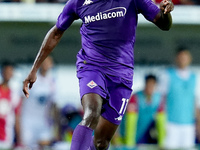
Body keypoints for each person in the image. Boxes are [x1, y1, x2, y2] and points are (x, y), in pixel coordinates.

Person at [22, 0, 174, 149]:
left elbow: (164, 24)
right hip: (92, 67)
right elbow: (56, 32)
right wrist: (35, 68)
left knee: (101, 142)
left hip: (122, 75)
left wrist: (166, 12)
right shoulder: (78, 2)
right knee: (92, 113)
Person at [158, 48, 200, 149]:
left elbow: (196, 103)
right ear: (176, 58)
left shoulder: (195, 77)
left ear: (190, 59)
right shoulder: (167, 75)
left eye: (185, 57)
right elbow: (161, 99)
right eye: (181, 57)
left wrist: (198, 124)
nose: (183, 60)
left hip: (188, 125)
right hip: (170, 124)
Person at [21, 56, 57, 149]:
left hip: (44, 122)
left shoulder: (53, 82)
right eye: (44, 62)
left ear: (51, 65)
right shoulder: (30, 78)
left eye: (48, 62)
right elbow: (21, 101)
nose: (46, 64)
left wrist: (56, 127)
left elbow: (54, 106)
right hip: (28, 121)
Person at [121, 74, 165, 149]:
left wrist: (162, 144)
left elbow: (161, 122)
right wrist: (130, 145)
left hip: (143, 133)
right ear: (145, 84)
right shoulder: (135, 98)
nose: (150, 88)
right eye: (148, 85)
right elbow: (130, 123)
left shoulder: (158, 99)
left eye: (152, 85)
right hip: (126, 135)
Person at [0, 61, 22, 149]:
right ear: (2, 72)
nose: (8, 74)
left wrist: (19, 139)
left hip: (7, 138)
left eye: (10, 72)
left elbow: (17, 117)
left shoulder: (14, 95)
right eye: (6, 71)